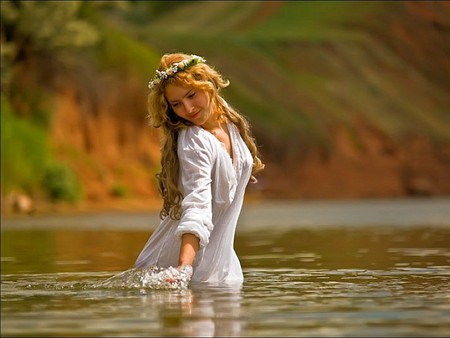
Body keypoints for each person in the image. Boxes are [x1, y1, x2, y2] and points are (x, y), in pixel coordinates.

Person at [133, 52, 264, 285]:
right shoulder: (194, 139)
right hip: (173, 270)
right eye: (176, 104)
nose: (188, 108)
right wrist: (183, 267)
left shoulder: (227, 117)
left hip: (223, 270)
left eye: (191, 95)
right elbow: (197, 204)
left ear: (207, 85)